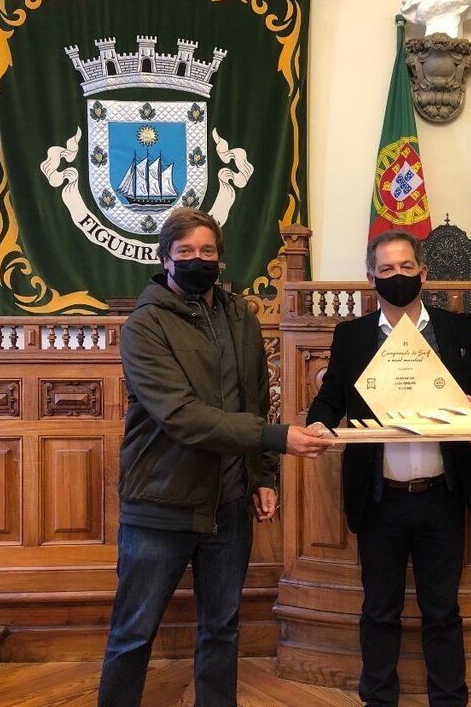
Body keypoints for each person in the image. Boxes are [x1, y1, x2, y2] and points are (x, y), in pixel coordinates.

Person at [98, 208, 330, 707]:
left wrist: (263, 474)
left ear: (220, 258)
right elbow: (181, 415)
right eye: (185, 252)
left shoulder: (240, 317)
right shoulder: (144, 325)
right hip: (161, 503)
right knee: (134, 633)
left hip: (229, 504)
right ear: (165, 258)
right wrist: (276, 439)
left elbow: (255, 399)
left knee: (222, 629)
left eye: (207, 251)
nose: (197, 260)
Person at [305, 228, 471, 707]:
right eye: (387, 269)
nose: (398, 276)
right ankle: (378, 699)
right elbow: (329, 400)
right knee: (379, 610)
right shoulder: (352, 336)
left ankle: (449, 699)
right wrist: (315, 425)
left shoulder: (457, 329)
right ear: (371, 278)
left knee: (442, 610)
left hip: (442, 495)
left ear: (423, 273)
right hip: (380, 499)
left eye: (406, 267)